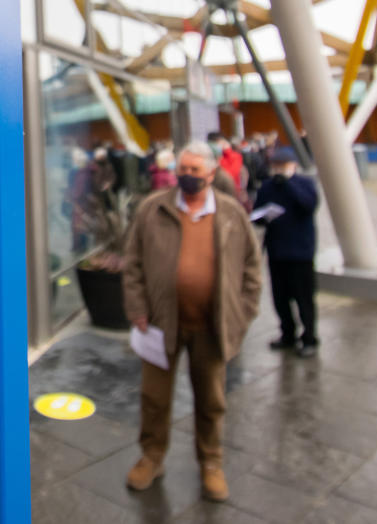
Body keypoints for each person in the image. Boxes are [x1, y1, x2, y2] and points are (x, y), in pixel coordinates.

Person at [121, 141, 262, 502]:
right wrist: (136, 307)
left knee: (211, 400)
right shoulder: (153, 210)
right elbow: (133, 261)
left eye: (195, 171)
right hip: (159, 324)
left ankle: (211, 462)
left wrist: (241, 314)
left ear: (212, 174)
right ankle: (152, 456)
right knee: (154, 397)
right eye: (182, 169)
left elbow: (251, 268)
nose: (186, 176)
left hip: (211, 327)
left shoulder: (231, 214)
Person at [253, 147, 320, 357]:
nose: (278, 170)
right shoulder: (267, 187)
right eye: (275, 166)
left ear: (293, 166)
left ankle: (309, 337)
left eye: (283, 166)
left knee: (304, 298)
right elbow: (257, 213)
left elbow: (309, 205)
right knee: (280, 298)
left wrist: (289, 183)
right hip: (277, 251)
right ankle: (287, 334)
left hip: (300, 252)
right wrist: (263, 216)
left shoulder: (305, 184)